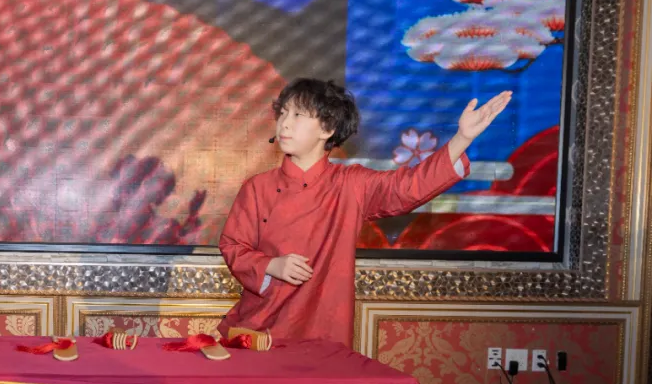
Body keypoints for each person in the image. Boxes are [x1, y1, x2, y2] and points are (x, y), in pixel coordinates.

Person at [218, 78, 512, 347]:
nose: (284, 123)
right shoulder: (257, 187)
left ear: (327, 129)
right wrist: (271, 265)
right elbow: (233, 245)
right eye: (283, 113)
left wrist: (462, 138)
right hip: (260, 329)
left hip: (323, 328)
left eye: (297, 115)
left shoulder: (351, 184)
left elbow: (409, 187)